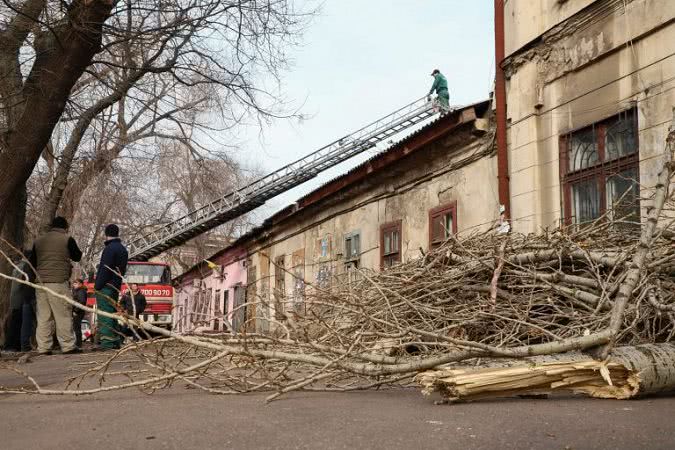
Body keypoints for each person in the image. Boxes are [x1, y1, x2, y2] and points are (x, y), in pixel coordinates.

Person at [30, 216, 82, 355]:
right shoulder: (67, 239)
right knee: (63, 315)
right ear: (65, 227)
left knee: (43, 316)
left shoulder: (38, 241)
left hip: (40, 283)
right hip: (58, 282)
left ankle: (44, 347)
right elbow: (77, 256)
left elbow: (32, 263)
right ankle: (68, 346)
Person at [94, 224, 128, 350]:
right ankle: (115, 342)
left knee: (105, 314)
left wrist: (97, 286)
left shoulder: (109, 249)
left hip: (106, 286)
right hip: (115, 285)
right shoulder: (123, 249)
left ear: (106, 234)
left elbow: (104, 269)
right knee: (113, 314)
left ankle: (107, 343)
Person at [3, 252, 36, 353]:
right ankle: (11, 346)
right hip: (20, 299)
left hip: (16, 299)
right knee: (17, 323)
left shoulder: (18, 266)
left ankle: (13, 345)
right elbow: (19, 284)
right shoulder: (24, 266)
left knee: (17, 322)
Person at [71, 278, 87, 349]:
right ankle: (78, 343)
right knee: (76, 328)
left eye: (76, 283)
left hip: (78, 312)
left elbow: (82, 302)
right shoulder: (76, 291)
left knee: (77, 328)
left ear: (80, 284)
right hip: (76, 311)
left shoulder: (81, 291)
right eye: (74, 283)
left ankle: (78, 344)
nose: (74, 285)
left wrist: (76, 311)